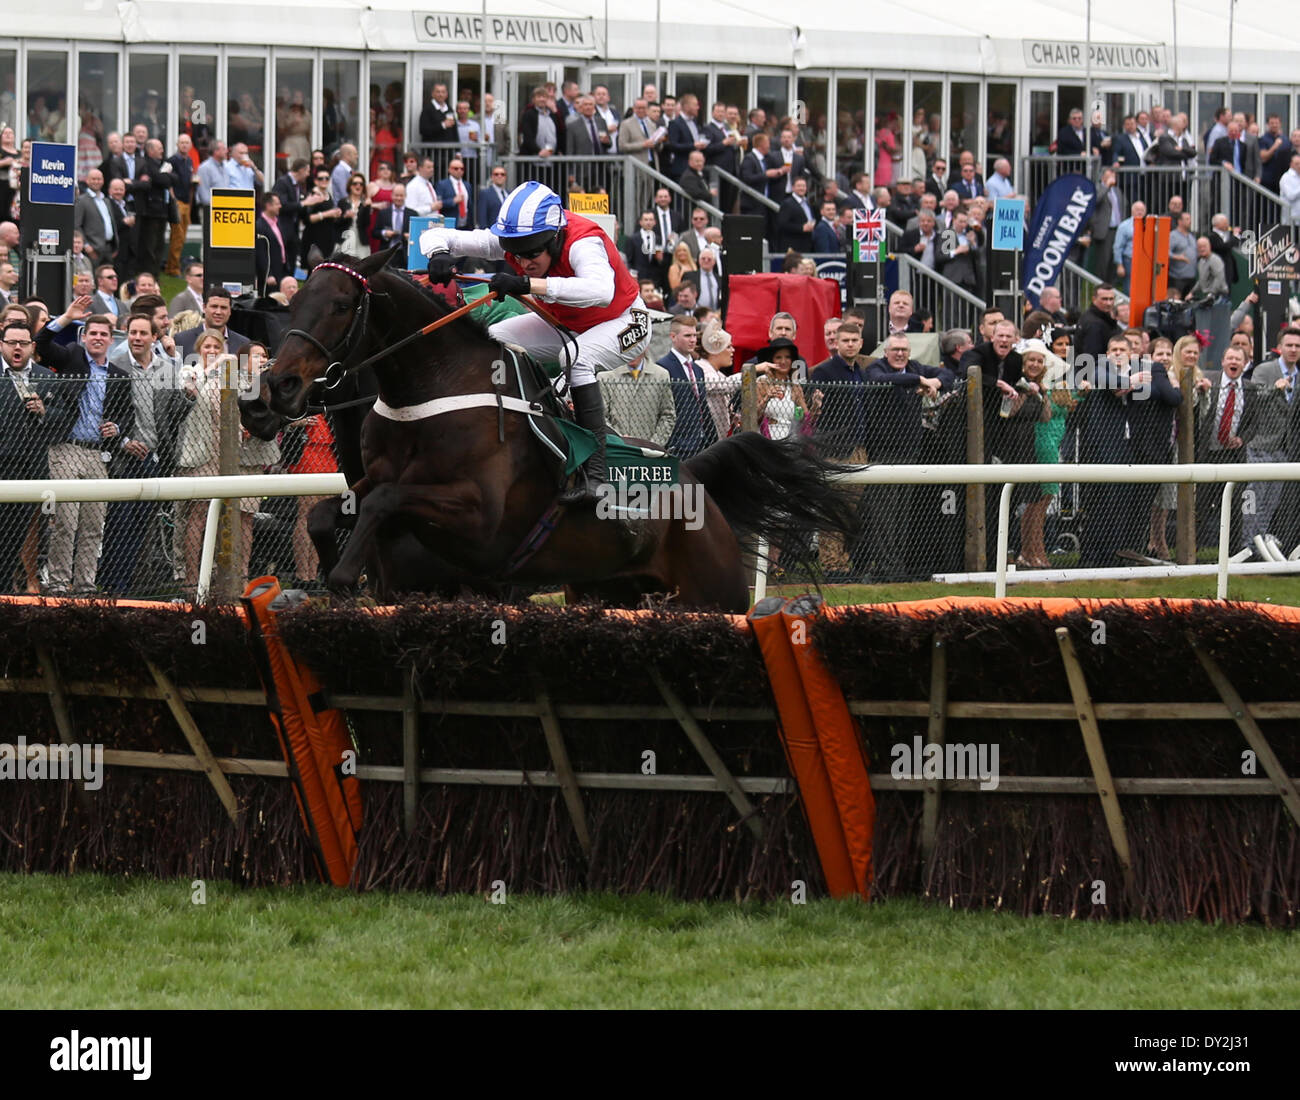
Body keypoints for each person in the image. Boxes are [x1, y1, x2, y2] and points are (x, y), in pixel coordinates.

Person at [422, 181, 650, 499]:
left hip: (625, 322)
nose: (524, 261)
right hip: (566, 326)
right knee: (494, 340)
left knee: (577, 358)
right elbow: (435, 234)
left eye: (532, 253)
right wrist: (438, 255)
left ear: (555, 238)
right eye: (516, 253)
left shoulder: (583, 241)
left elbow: (600, 292)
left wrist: (529, 284)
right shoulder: (513, 240)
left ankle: (596, 477)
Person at [0, 319, 58, 593]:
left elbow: (66, 418)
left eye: (23, 343)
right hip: (2, 468)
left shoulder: (47, 376)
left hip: (32, 470)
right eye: (12, 342)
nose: (17, 348)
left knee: (20, 535)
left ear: (32, 346)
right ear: (2, 345)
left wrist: (45, 412)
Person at [598, 351, 676, 449]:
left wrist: (653, 445)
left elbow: (668, 415)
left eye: (635, 348)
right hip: (617, 450)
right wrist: (619, 441)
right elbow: (601, 417)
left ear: (644, 347)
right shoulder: (606, 377)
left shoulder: (661, 375)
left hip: (650, 452)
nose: (631, 353)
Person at [754, 338, 819, 440]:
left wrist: (812, 405)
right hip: (766, 438)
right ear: (772, 360)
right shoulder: (762, 382)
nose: (783, 361)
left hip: (791, 438)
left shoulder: (794, 385)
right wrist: (767, 398)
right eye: (778, 357)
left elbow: (803, 419)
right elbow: (752, 416)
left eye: (787, 357)